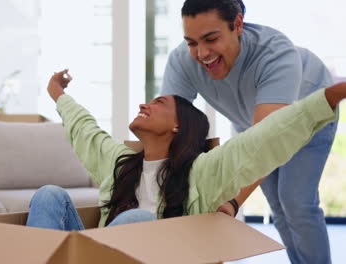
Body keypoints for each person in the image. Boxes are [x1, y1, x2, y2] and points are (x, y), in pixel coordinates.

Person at [26, 69, 344, 237]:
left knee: (136, 219)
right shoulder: (117, 163)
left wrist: (330, 96)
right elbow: (84, 129)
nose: (143, 105)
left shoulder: (202, 172)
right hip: (95, 256)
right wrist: (57, 92)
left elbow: (262, 140)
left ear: (179, 125)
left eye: (159, 103)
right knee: (49, 195)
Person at [161, 0, 338, 262]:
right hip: (252, 122)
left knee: (295, 202)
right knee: (278, 207)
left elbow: (268, 140)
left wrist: (231, 202)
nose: (201, 53)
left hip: (309, 114)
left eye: (211, 38)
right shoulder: (182, 61)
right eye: (192, 42)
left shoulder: (275, 53)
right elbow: (169, 126)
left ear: (238, 25)